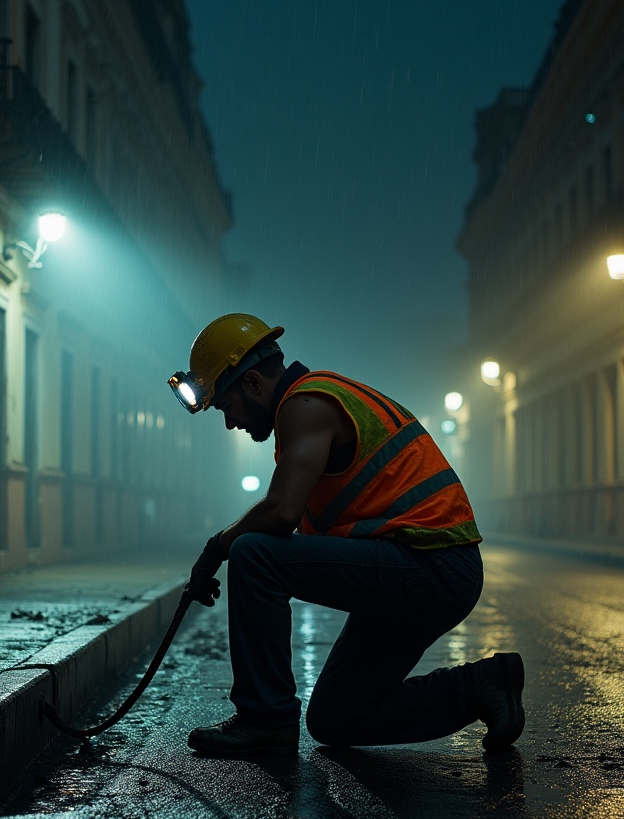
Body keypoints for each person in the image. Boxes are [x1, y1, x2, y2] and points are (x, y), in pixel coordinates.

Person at [167, 313, 525, 759]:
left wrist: (216, 547)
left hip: (432, 565)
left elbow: (281, 513)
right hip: (422, 567)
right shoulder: (314, 403)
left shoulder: (306, 404)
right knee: (334, 718)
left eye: (226, 406)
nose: (229, 422)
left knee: (253, 554)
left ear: (255, 383)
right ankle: (481, 687)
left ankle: (264, 719)